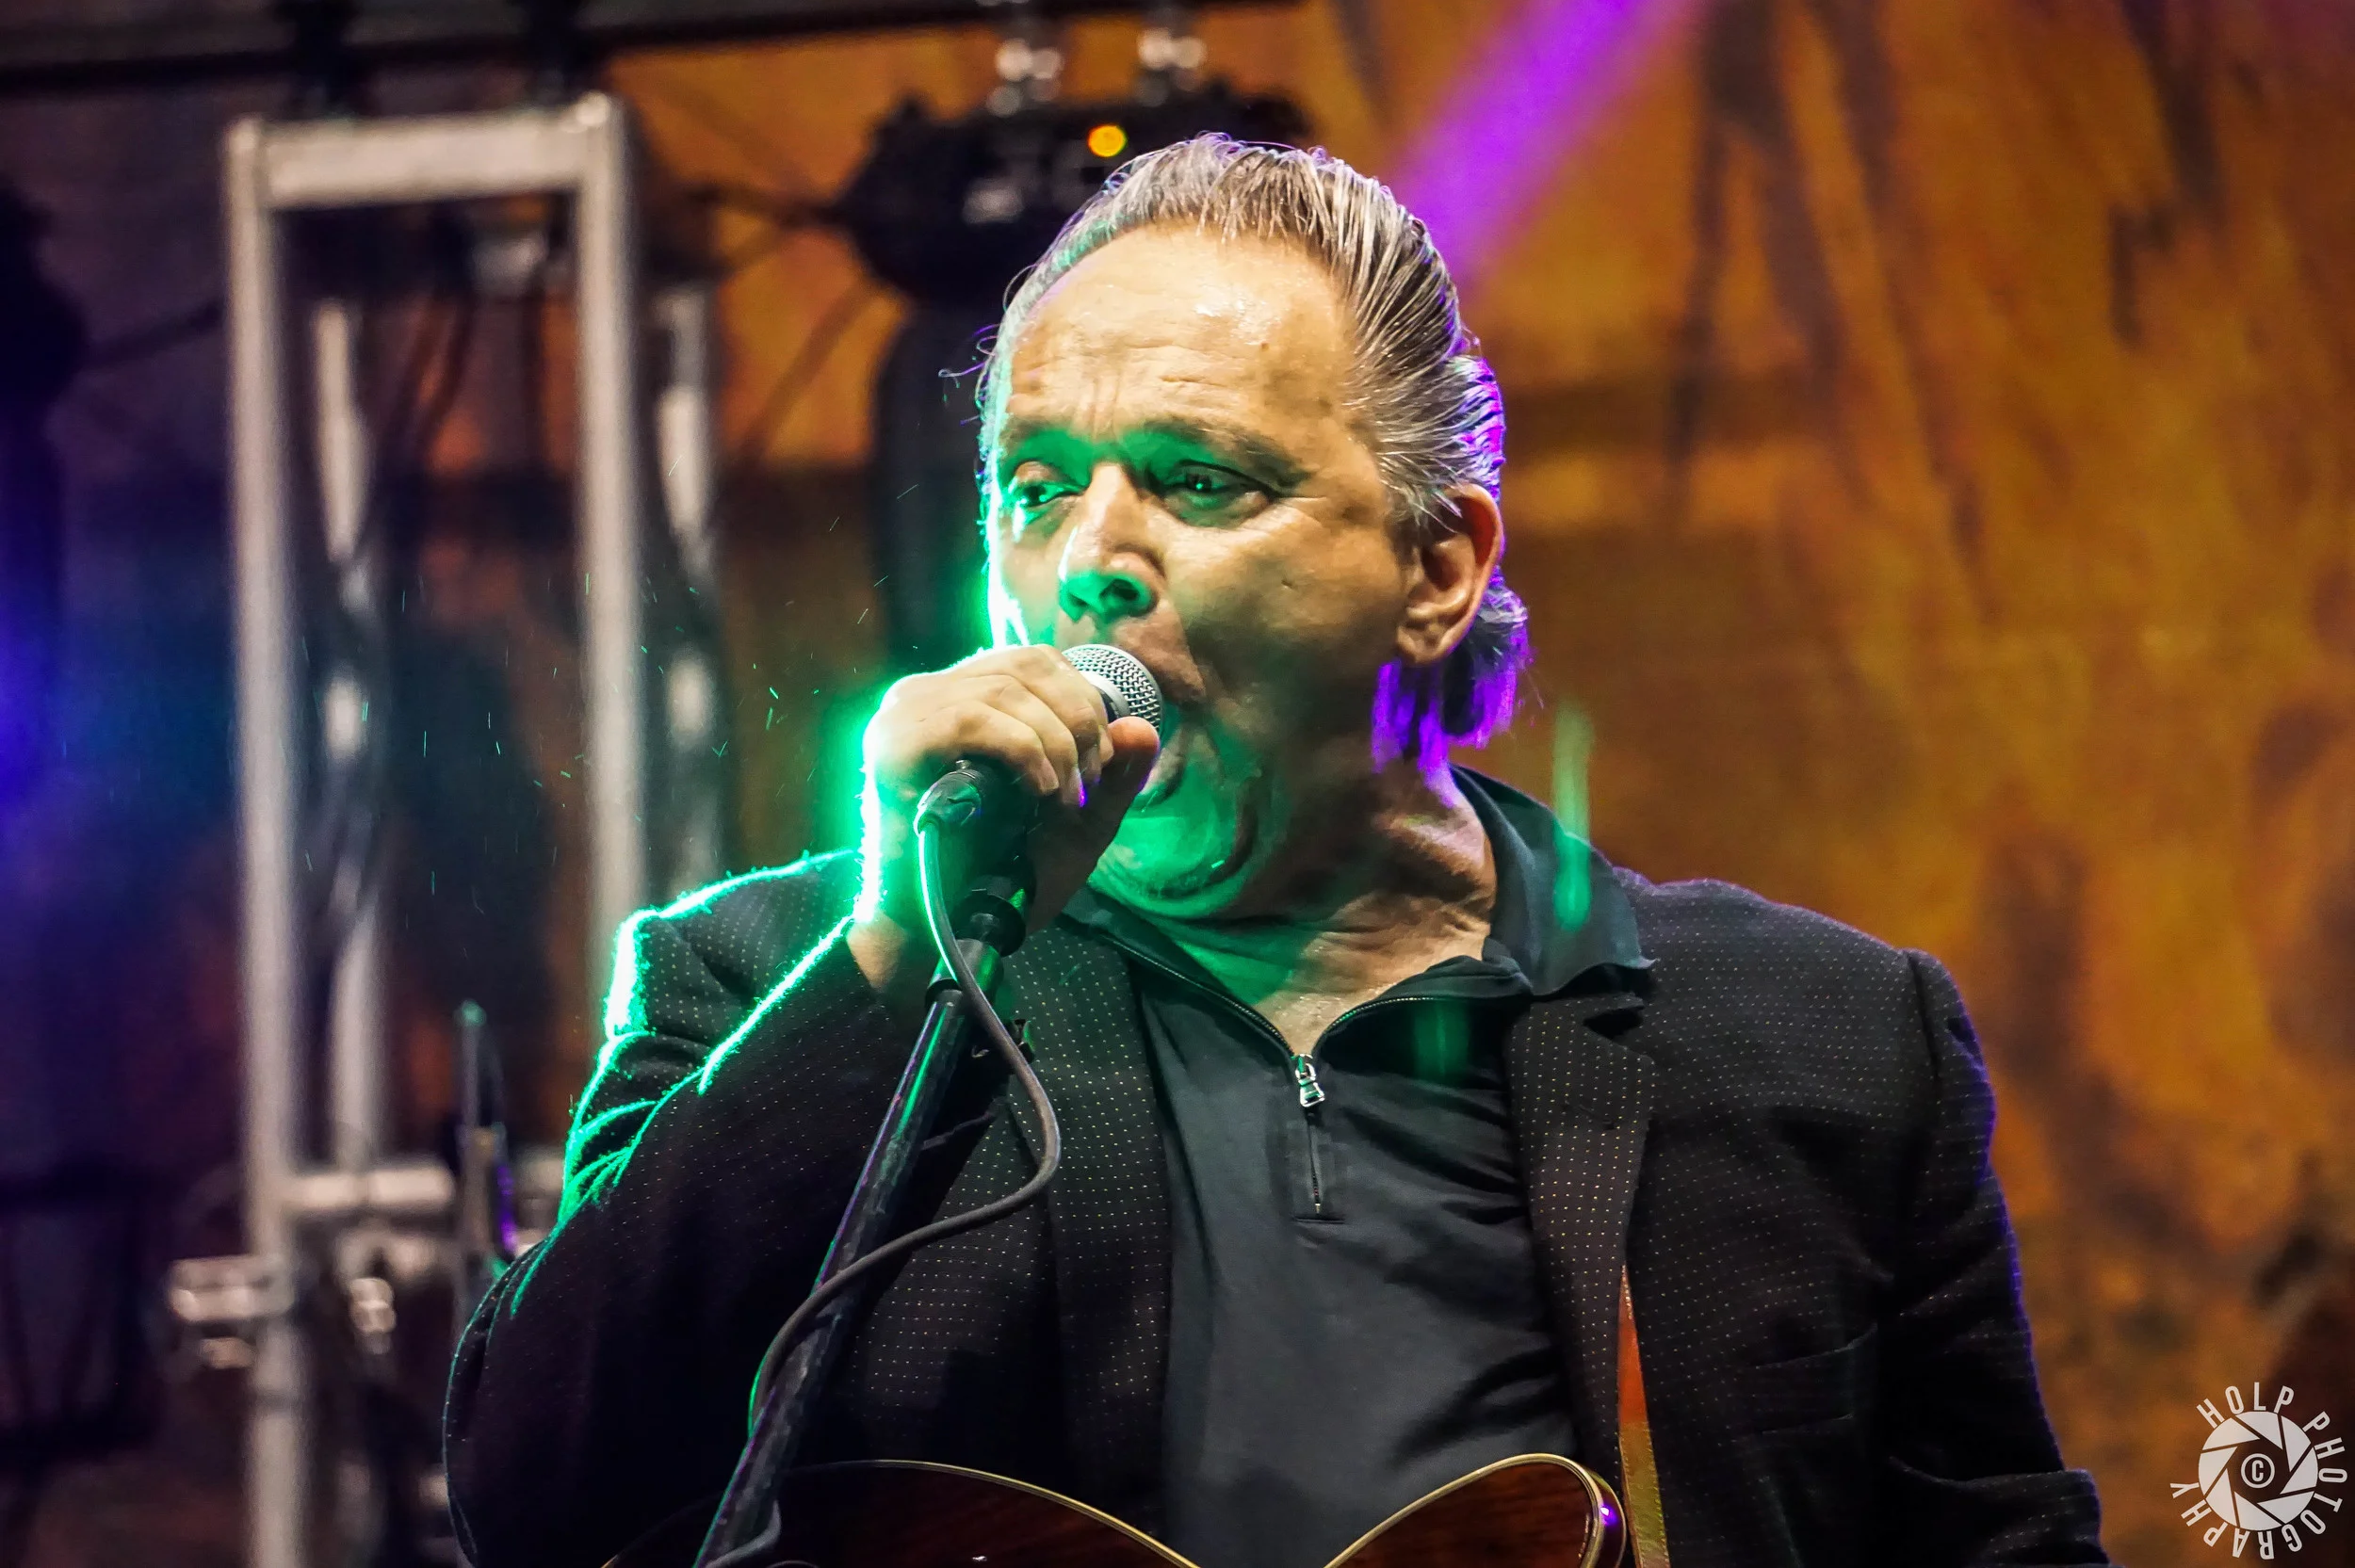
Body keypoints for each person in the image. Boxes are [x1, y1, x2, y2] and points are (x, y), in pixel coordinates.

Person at [444, 136, 2109, 1568]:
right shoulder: (773, 980)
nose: (1090, 558)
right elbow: (530, 1492)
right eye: (1036, 486)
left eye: (1196, 481)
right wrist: (895, 955)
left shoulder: (1824, 1040)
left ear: (1438, 568)